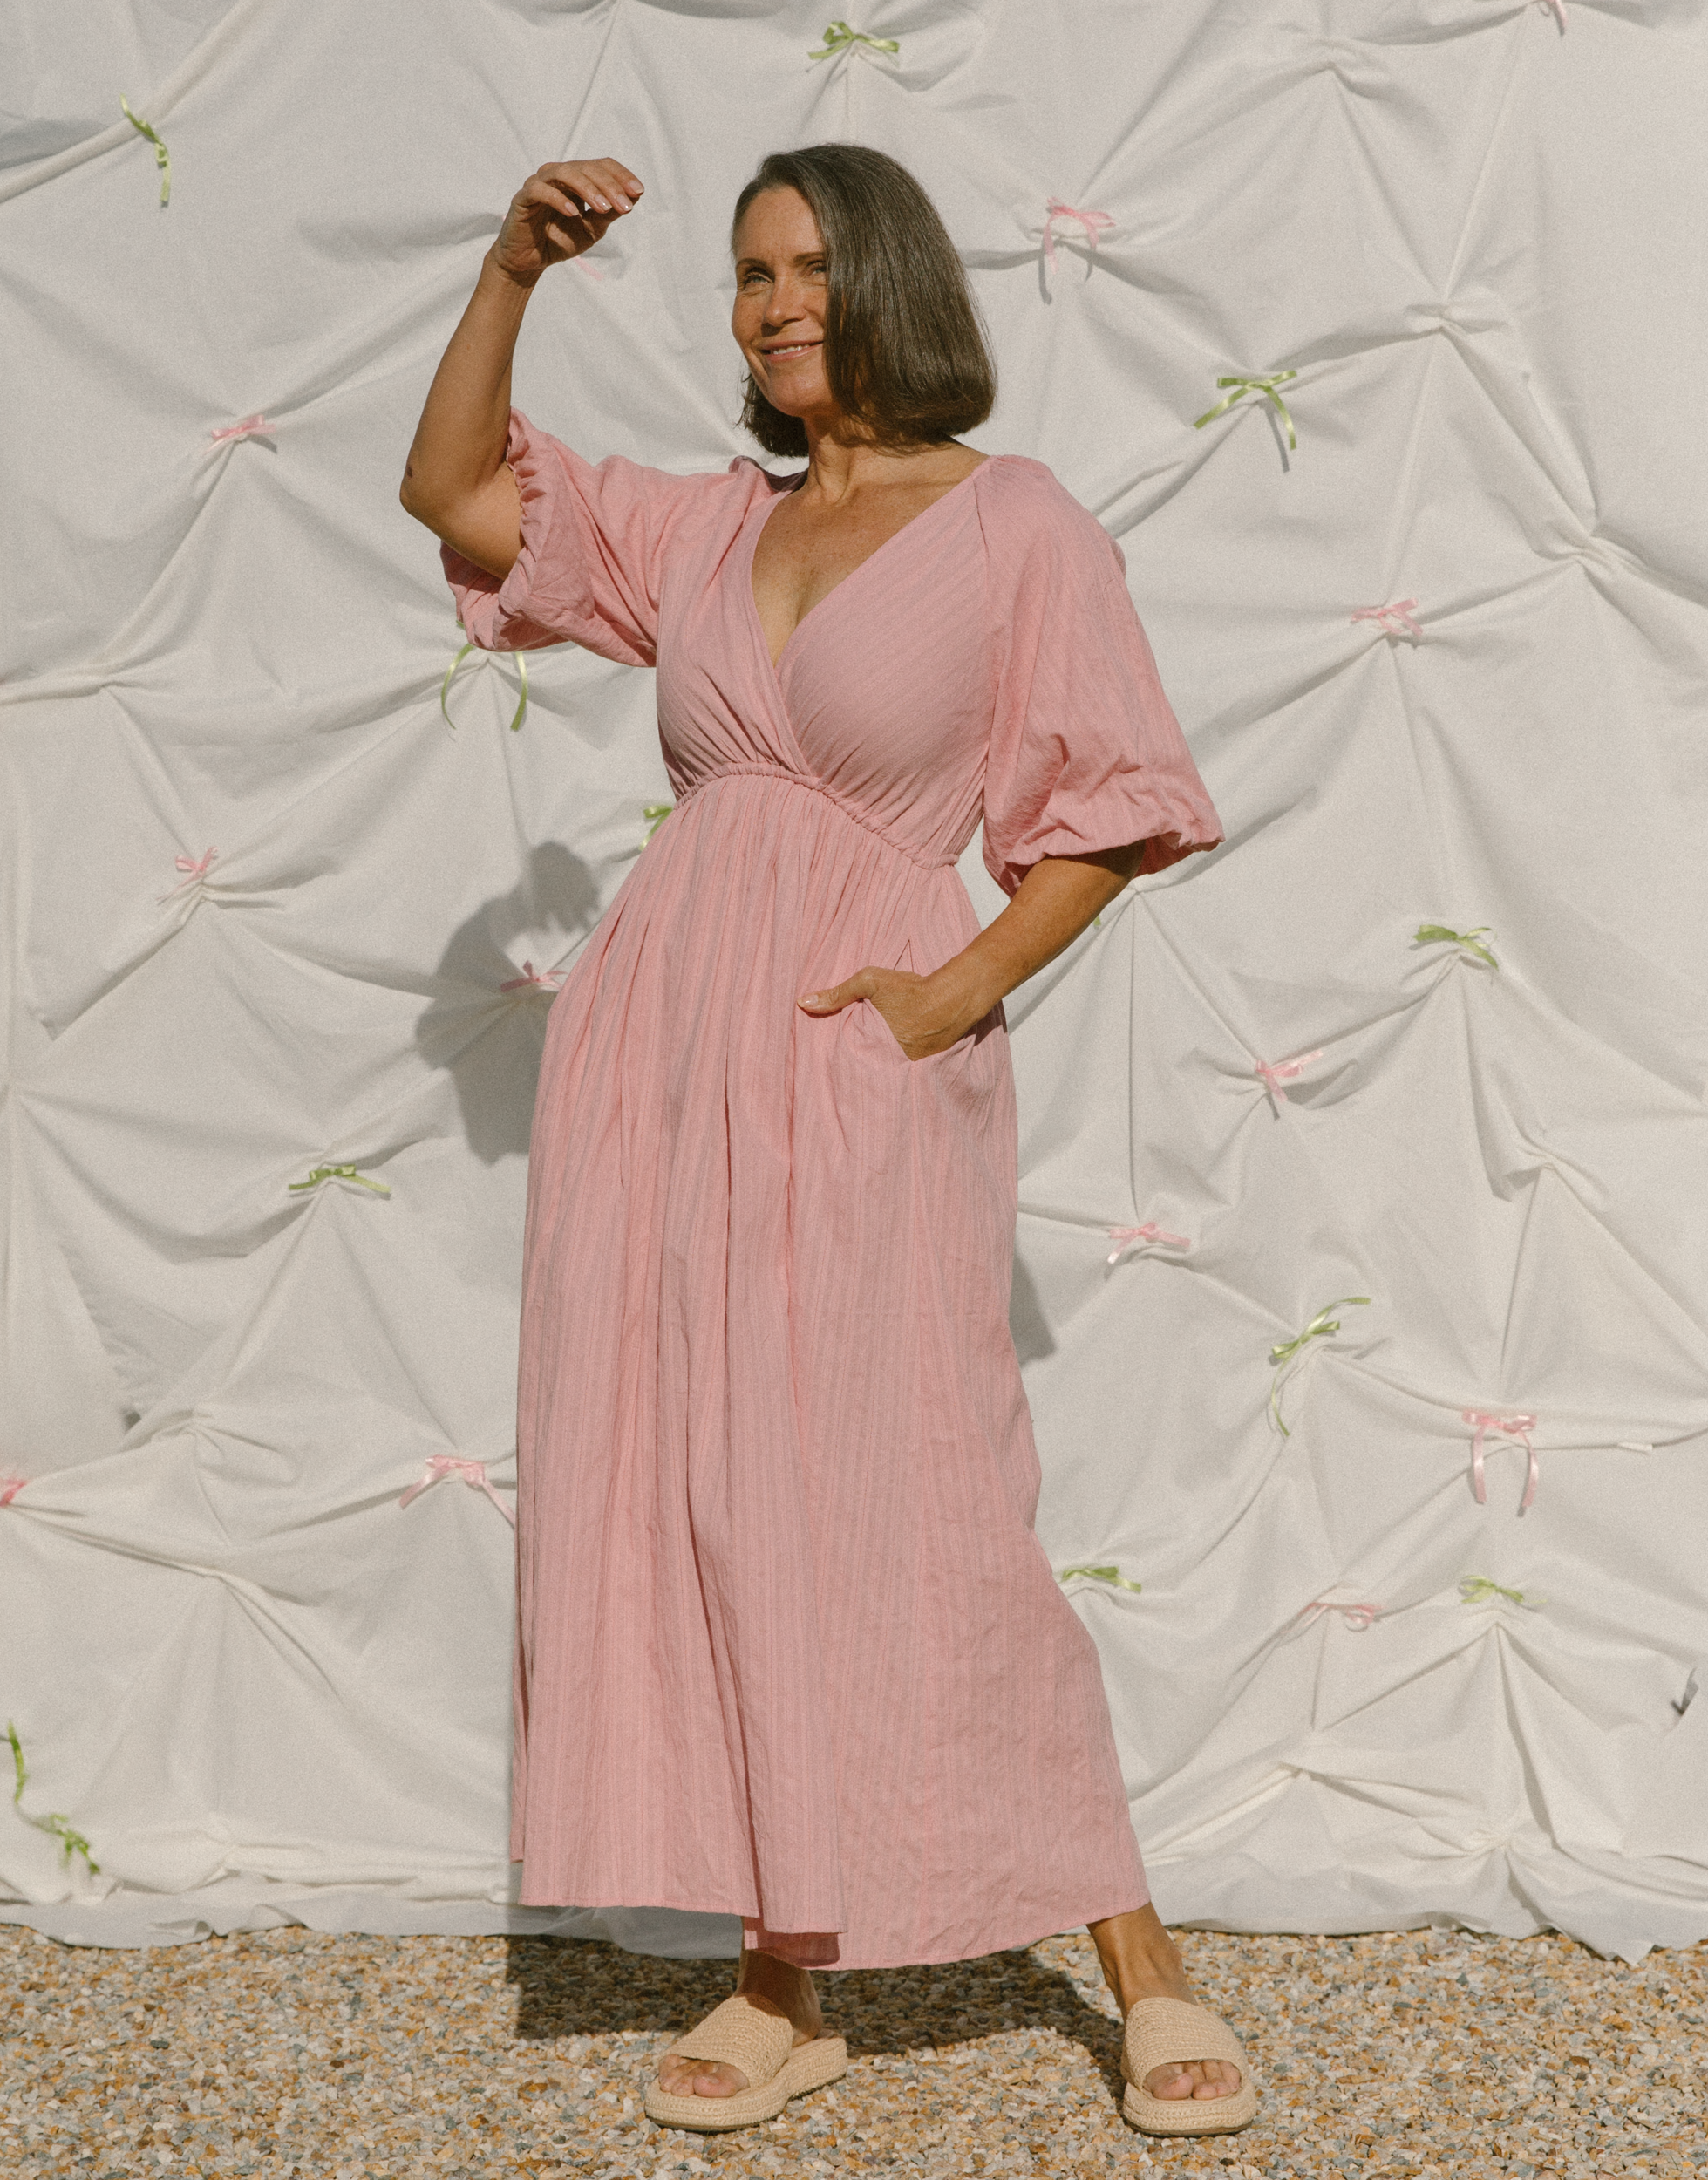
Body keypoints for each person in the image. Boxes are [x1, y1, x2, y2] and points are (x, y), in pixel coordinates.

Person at [399, 142, 1253, 2141]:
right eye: (744, 275)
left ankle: (1138, 1960)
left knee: (923, 1496)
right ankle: (791, 1961)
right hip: (658, 1068)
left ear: (885, 280)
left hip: (854, 1051)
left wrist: (953, 991)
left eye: (803, 266)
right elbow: (454, 492)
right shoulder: (704, 530)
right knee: (715, 1487)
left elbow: (1115, 800)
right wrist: (510, 266)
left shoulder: (1012, 521)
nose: (772, 302)